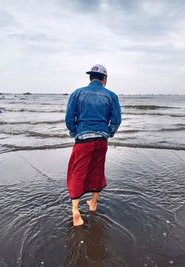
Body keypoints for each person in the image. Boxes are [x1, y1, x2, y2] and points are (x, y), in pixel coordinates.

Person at [65, 64, 122, 226]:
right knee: (97, 170)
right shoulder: (111, 96)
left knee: (78, 171)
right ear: (104, 79)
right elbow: (116, 120)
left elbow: (69, 118)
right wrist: (108, 133)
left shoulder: (77, 93)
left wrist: (75, 132)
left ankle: (76, 210)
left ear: (90, 78)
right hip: (101, 140)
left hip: (83, 139)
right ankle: (93, 203)